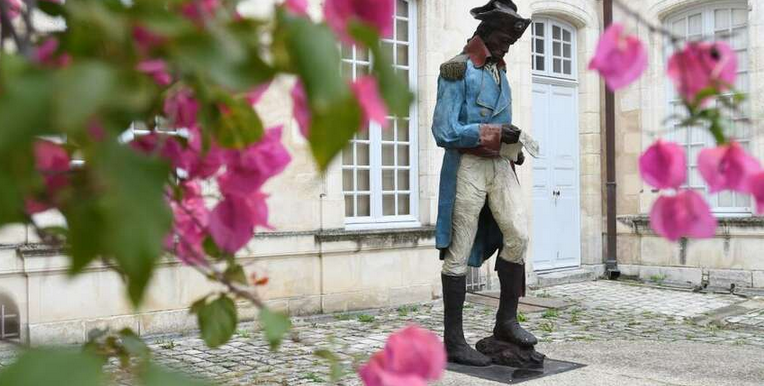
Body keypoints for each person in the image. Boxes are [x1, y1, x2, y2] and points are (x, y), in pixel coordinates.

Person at [431, 0, 538, 366]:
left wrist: (512, 146)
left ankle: (506, 323)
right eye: (505, 37)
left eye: (512, 38)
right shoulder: (456, 70)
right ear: (487, 33)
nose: (509, 44)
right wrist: (493, 132)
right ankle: (454, 341)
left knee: (519, 236)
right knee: (458, 251)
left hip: (499, 166)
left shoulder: (500, 72)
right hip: (468, 168)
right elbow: (444, 131)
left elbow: (499, 124)